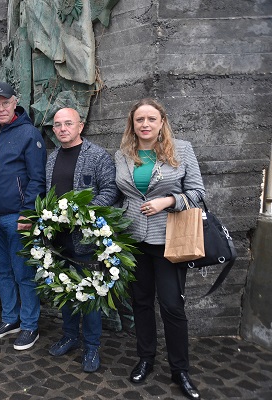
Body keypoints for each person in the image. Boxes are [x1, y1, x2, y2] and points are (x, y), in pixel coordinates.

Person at [115, 98, 203, 400]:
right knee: (140, 302)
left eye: (151, 119)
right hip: (134, 240)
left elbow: (197, 193)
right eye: (140, 119)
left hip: (170, 240)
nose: (145, 124)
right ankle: (146, 358)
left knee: (172, 306)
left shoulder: (182, 149)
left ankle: (180, 370)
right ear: (133, 124)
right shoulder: (123, 154)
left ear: (162, 121)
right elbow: (120, 196)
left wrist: (169, 201)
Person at [45, 107, 120, 372]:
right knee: (65, 291)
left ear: (80, 126)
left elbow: (111, 190)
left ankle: (91, 346)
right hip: (58, 242)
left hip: (86, 241)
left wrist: (86, 214)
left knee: (88, 296)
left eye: (68, 123)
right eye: (57, 125)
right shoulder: (52, 158)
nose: (62, 129)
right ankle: (69, 336)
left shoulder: (97, 156)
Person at [0, 82, 46, 350]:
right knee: (2, 271)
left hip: (18, 216)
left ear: (15, 102)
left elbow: (37, 179)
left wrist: (28, 213)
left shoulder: (29, 134)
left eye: (5, 102)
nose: (1, 107)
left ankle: (30, 325)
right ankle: (10, 318)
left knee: (23, 273)